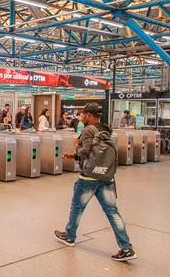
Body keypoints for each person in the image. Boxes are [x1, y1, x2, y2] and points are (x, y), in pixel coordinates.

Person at [56, 103, 136, 261]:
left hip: (89, 177)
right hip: (107, 176)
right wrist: (73, 156)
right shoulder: (105, 129)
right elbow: (96, 151)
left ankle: (70, 236)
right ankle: (126, 248)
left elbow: (85, 152)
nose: (82, 117)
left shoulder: (88, 130)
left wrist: (76, 146)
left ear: (89, 115)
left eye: (83, 114)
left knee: (77, 207)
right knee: (113, 212)